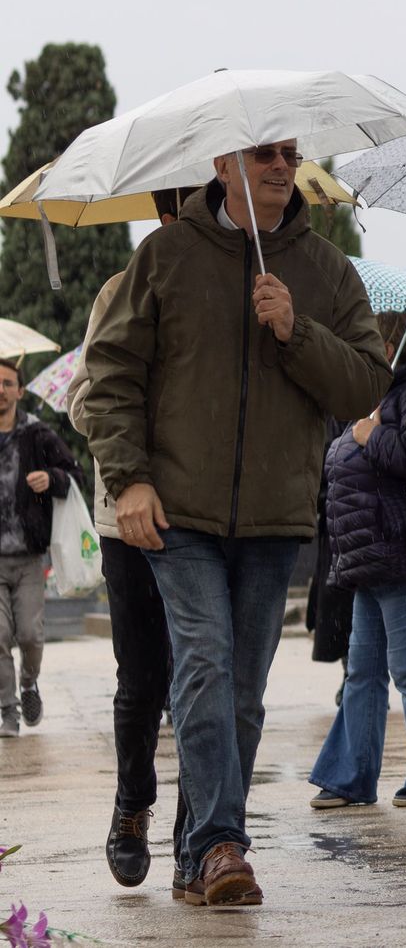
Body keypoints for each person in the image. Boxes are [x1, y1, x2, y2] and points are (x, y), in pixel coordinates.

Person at [83, 142, 390, 907]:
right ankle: (223, 844)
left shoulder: (326, 270)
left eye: (290, 154)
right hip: (176, 514)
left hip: (274, 516)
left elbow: (364, 386)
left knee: (243, 694)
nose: (282, 166)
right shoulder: (164, 258)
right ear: (222, 166)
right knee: (205, 667)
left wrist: (296, 329)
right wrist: (131, 480)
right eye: (263, 154)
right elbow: (111, 375)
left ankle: (196, 858)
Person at [67, 188, 194, 893]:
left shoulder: (245, 286)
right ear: (167, 217)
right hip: (129, 519)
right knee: (142, 676)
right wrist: (143, 413)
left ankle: (195, 831)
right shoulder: (119, 290)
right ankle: (132, 807)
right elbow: (85, 400)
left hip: (208, 517)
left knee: (202, 681)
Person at [308, 312, 406, 811]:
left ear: (392, 343)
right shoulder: (372, 397)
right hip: (370, 563)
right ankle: (349, 776)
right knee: (362, 673)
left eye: (366, 339)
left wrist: (369, 438)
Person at [0, 357, 81, 739]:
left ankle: (29, 684)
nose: (0, 389)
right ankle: (8, 712)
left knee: (30, 635)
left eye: (7, 382)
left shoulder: (36, 434)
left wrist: (50, 478)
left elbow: (75, 473)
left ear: (19, 390)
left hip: (30, 556)